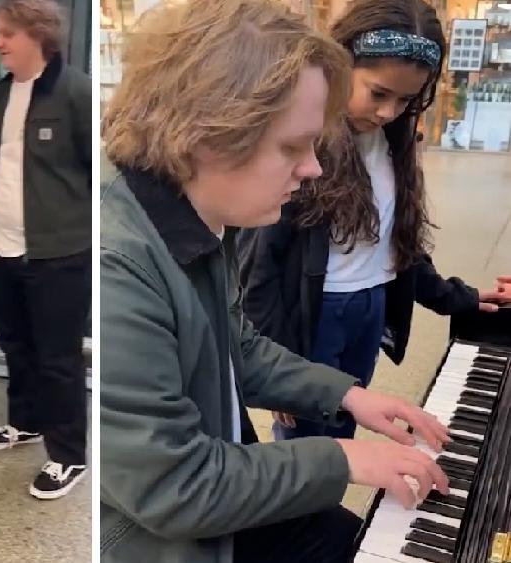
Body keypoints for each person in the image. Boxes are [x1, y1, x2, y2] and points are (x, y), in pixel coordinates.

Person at [100, 1, 450, 562]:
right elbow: (172, 485)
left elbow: (239, 345)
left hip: (209, 496)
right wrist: (344, 459)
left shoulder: (203, 220)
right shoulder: (117, 268)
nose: (313, 168)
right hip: (155, 538)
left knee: (341, 536)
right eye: (292, 146)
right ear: (209, 133)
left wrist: (350, 396)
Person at [238, 0, 511, 442]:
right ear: (339, 67)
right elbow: (260, 271)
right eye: (378, 93)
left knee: (346, 422)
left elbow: (398, 247)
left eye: (405, 99)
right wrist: (273, 373)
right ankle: (302, 511)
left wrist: (458, 297)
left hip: (369, 309)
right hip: (314, 316)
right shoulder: (301, 146)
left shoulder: (391, 144)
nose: (388, 111)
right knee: (309, 438)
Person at [0, 0, 92, 501]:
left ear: (37, 34)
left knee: (58, 358)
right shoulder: (0, 95)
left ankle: (70, 456)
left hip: (59, 255)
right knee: (15, 345)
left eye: (8, 33)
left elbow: (96, 173)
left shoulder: (77, 92)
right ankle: (24, 423)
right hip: (2, 247)